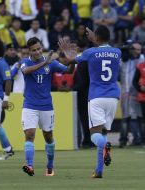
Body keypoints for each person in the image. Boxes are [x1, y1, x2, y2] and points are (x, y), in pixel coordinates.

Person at [59, 25, 121, 178]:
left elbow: (70, 62)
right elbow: (104, 51)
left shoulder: (89, 53)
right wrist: (96, 39)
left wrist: (69, 54)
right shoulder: (117, 52)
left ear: (97, 38)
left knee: (95, 135)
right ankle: (99, 170)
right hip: (113, 97)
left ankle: (105, 147)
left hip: (97, 97)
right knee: (104, 132)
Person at [20, 37, 74, 177]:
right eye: (34, 50)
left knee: (48, 137)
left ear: (41, 47)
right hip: (30, 105)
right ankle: (29, 165)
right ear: (29, 51)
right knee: (29, 134)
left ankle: (50, 166)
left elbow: (68, 71)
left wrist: (71, 60)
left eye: (39, 48)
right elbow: (26, 72)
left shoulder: (52, 63)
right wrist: (45, 62)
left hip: (46, 106)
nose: (37, 51)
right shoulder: (25, 62)